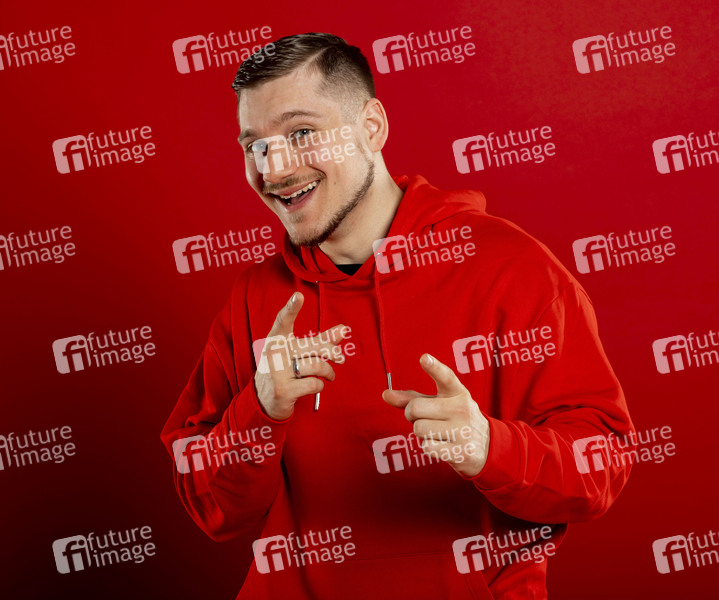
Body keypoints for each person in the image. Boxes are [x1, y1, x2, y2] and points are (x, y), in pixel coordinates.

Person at [161, 32, 635, 599]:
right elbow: (212, 510)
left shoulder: (511, 269)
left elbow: (602, 467)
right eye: (254, 146)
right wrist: (259, 412)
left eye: (302, 133)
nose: (275, 168)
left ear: (372, 127)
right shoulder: (255, 298)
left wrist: (489, 447)